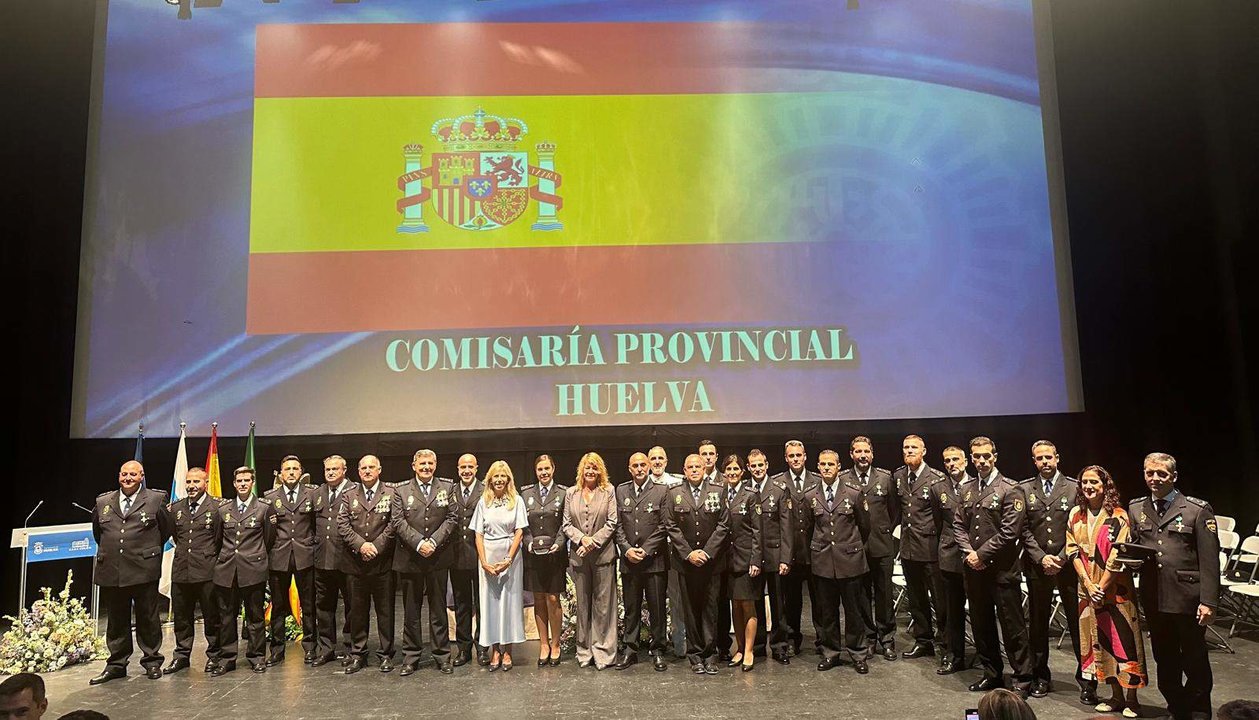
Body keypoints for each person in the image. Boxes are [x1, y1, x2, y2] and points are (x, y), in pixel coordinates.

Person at [1128, 452, 1219, 720]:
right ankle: (1177, 709)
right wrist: (1130, 561)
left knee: (1194, 660)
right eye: (1149, 473)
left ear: (1174, 476)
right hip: (1154, 597)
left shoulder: (1196, 509)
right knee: (1164, 659)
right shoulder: (1137, 508)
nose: (1155, 479)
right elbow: (1138, 548)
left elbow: (1209, 560)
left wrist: (1209, 601)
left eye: (1161, 474)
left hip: (1188, 598)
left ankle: (1200, 711)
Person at [1066, 465, 1147, 718]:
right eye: (1085, 482)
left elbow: (1117, 556)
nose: (1089, 487)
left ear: (1105, 486)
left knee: (1124, 642)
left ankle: (1132, 699)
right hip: (1087, 590)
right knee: (1099, 641)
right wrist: (1088, 585)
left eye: (1094, 482)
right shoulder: (1075, 515)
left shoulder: (1119, 516)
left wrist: (1100, 587)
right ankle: (1114, 696)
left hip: (1115, 591)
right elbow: (1072, 551)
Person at [954, 437, 1032, 697]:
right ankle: (992, 673)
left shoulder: (1011, 489)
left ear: (995, 456)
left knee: (1012, 626)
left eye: (987, 456)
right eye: (977, 456)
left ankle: (1022, 677)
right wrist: (969, 553)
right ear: (971, 458)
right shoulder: (966, 489)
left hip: (1001, 569)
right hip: (974, 571)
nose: (982, 461)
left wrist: (981, 555)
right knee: (981, 624)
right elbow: (958, 525)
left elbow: (1010, 532)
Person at [89, 459, 172, 684]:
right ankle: (116, 664)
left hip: (143, 569)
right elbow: (98, 532)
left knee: (148, 617)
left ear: (141, 476)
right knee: (116, 620)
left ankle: (152, 661)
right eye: (124, 474)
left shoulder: (156, 499)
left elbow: (165, 529)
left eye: (133, 474)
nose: (128, 478)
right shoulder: (103, 501)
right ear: (119, 476)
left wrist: (146, 552)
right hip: (112, 569)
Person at [1019, 440, 1088, 700]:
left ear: (1057, 458)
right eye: (1039, 458)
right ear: (1034, 460)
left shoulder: (1074, 488)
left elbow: (1081, 527)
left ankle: (1086, 679)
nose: (1045, 462)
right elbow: (1023, 528)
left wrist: (1059, 558)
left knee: (1077, 622)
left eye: (1049, 457)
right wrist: (1041, 557)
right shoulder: (1025, 489)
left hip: (1069, 565)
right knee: (1037, 625)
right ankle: (1040, 677)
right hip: (1037, 566)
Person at [390, 449, 460, 676]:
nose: (426, 467)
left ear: (436, 464)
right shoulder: (401, 490)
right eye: (422, 464)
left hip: (438, 558)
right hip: (411, 558)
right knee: (411, 611)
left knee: (438, 610)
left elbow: (452, 518)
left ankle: (442, 655)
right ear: (414, 465)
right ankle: (411, 657)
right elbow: (398, 521)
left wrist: (434, 542)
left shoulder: (447, 488)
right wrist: (420, 543)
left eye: (430, 463)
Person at [806, 449, 873, 675]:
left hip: (850, 560)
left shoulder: (854, 493)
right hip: (823, 561)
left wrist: (849, 547)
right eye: (823, 464)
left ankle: (858, 653)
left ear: (838, 466)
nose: (826, 468)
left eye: (831, 464)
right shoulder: (810, 495)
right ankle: (831, 652)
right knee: (828, 612)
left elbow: (865, 526)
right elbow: (807, 528)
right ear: (818, 466)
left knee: (854, 611)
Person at [664, 453, 731, 675]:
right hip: (686, 562)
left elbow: (723, 524)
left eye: (698, 466)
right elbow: (670, 525)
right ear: (684, 470)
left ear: (704, 469)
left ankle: (710, 655)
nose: (694, 470)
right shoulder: (674, 493)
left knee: (710, 609)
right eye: (690, 467)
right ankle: (695, 655)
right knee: (690, 609)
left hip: (711, 562)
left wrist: (707, 552)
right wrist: (689, 553)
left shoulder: (718, 490)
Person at [212, 466, 276, 675]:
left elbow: (269, 538)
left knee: (255, 617)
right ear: (234, 483)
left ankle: (257, 657)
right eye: (239, 481)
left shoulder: (264, 508)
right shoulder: (223, 510)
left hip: (252, 569)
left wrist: (254, 556)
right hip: (227, 569)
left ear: (252, 483)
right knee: (226, 617)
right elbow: (217, 539)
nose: (242, 484)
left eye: (246, 480)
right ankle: (228, 658)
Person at [337, 455, 397, 674]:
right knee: (357, 612)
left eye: (372, 467)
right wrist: (362, 546)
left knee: (385, 611)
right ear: (358, 471)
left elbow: (394, 523)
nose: (367, 470)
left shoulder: (391, 493)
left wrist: (376, 546)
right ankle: (358, 654)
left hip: (382, 563)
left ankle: (386, 654)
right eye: (363, 468)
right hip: (356, 562)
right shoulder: (348, 495)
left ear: (379, 469)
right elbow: (342, 525)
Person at [841, 436, 899, 661]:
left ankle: (887, 638)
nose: (862, 455)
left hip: (881, 545)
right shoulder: (844, 478)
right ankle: (869, 637)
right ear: (851, 454)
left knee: (884, 594)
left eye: (866, 451)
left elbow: (894, 511)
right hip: (855, 548)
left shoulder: (885, 478)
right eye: (858, 451)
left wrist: (884, 531)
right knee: (861, 595)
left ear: (872, 454)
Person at [562, 452, 620, 670]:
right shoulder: (571, 493)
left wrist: (592, 542)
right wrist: (582, 540)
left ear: (600, 470)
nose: (590, 471)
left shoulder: (609, 492)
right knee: (583, 605)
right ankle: (584, 651)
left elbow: (613, 522)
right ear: (581, 470)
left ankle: (604, 652)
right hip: (579, 558)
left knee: (604, 607)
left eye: (594, 467)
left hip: (603, 556)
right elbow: (566, 524)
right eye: (587, 467)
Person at [895, 434, 949, 662]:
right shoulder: (898, 476)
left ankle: (947, 645)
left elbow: (942, 517)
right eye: (906, 447)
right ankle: (923, 641)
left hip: (930, 549)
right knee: (916, 600)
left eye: (914, 447)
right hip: (908, 548)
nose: (909, 451)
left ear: (924, 451)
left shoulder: (937, 479)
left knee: (940, 600)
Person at [165, 466, 223, 674]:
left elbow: (219, 538)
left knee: (211, 616)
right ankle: (181, 655)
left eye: (196, 482)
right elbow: (173, 536)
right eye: (188, 482)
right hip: (182, 569)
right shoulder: (176, 508)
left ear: (205, 483)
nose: (191, 486)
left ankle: (215, 655)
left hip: (207, 570)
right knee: (182, 617)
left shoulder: (216, 507)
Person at [614, 452, 669, 671]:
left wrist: (646, 550)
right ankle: (630, 650)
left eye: (643, 465)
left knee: (657, 609)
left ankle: (657, 650)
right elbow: (617, 525)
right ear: (629, 468)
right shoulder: (621, 490)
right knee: (631, 608)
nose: (639, 469)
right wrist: (626, 549)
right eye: (635, 465)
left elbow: (664, 525)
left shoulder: (661, 491)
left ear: (649, 467)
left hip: (654, 561)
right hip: (629, 561)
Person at [472, 460, 528, 671]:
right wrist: (484, 562)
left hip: (510, 558)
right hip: (488, 556)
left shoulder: (517, 500)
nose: (499, 480)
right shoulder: (483, 502)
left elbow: (520, 531)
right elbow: (478, 533)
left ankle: (508, 651)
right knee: (490, 605)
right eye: (495, 476)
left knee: (509, 604)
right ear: (490, 479)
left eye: (502, 476)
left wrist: (508, 560)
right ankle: (495, 650)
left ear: (508, 479)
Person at [262, 455, 318, 666]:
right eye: (287, 469)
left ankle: (311, 647)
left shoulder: (311, 494)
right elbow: (267, 528)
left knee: (309, 605)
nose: (292, 472)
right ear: (281, 473)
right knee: (277, 606)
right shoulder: (269, 497)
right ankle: (277, 650)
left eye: (295, 469)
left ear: (301, 472)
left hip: (305, 556)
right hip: (279, 557)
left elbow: (315, 524)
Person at [772, 439, 822, 657]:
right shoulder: (776, 483)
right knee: (791, 601)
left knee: (820, 600)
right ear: (786, 458)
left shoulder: (819, 480)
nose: (795, 459)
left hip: (815, 551)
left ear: (805, 456)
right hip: (790, 553)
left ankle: (823, 639)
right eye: (791, 456)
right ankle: (792, 639)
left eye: (798, 455)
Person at [520, 454, 567, 667]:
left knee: (553, 599)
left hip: (555, 555)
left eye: (547, 468)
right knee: (538, 598)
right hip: (533, 556)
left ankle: (556, 644)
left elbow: (566, 524)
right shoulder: (525, 493)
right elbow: (523, 525)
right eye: (540, 469)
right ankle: (544, 644)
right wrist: (528, 542)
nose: (544, 473)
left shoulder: (564, 493)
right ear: (535, 471)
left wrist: (559, 542)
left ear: (554, 469)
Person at [749, 448, 793, 663]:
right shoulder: (744, 490)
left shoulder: (779, 489)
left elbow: (786, 527)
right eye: (753, 465)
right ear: (748, 467)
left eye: (760, 465)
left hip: (776, 554)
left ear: (766, 465)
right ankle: (757, 646)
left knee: (778, 604)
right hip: (754, 557)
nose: (757, 469)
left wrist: (786, 558)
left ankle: (779, 646)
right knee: (755, 602)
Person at [719, 454, 763, 671]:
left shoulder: (751, 495)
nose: (733, 473)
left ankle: (749, 650)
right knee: (734, 605)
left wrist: (756, 559)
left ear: (742, 472)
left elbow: (757, 530)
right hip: (726, 560)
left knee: (748, 605)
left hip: (747, 559)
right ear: (724, 473)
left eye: (736, 469)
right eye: (729, 470)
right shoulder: (719, 494)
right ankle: (738, 647)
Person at [312, 455, 354, 667]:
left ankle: (350, 647)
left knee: (351, 606)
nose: (330, 473)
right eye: (327, 469)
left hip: (347, 560)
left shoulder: (355, 491)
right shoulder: (317, 493)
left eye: (335, 469)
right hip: (322, 559)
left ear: (344, 470)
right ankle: (326, 648)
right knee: (324, 606)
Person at [931, 445, 970, 675]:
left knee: (978, 610)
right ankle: (954, 656)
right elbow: (938, 522)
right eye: (947, 461)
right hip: (949, 556)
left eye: (956, 459)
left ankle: (985, 656)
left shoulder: (977, 486)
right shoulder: (938, 488)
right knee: (951, 611)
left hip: (974, 557)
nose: (951, 464)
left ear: (965, 461)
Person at [450, 453, 486, 667]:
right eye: (463, 466)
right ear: (457, 468)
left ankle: (482, 648)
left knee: (482, 604)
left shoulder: (485, 490)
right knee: (462, 604)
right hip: (456, 557)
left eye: (470, 466)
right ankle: (463, 649)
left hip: (480, 556)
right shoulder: (450, 491)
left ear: (476, 468)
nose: (466, 470)